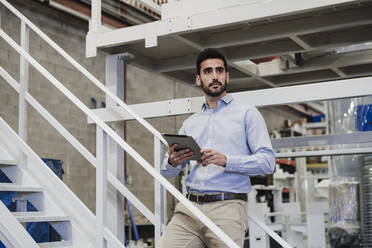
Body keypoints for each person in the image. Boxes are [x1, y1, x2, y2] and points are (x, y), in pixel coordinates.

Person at [158, 48, 275, 248]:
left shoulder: (247, 114)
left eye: (219, 71)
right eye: (208, 71)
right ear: (198, 79)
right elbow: (166, 171)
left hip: (227, 207)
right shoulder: (190, 123)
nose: (214, 76)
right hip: (189, 208)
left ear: (227, 76)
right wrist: (172, 161)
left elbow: (267, 162)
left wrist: (227, 160)